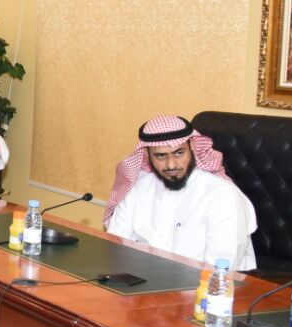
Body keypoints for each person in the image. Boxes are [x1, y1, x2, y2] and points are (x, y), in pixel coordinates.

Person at [105, 115, 257, 270]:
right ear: (146, 154)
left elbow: (220, 269)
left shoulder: (222, 195)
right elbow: (117, 246)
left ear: (192, 146)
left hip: (201, 282)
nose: (171, 165)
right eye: (161, 155)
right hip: (143, 277)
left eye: (179, 153)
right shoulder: (137, 187)